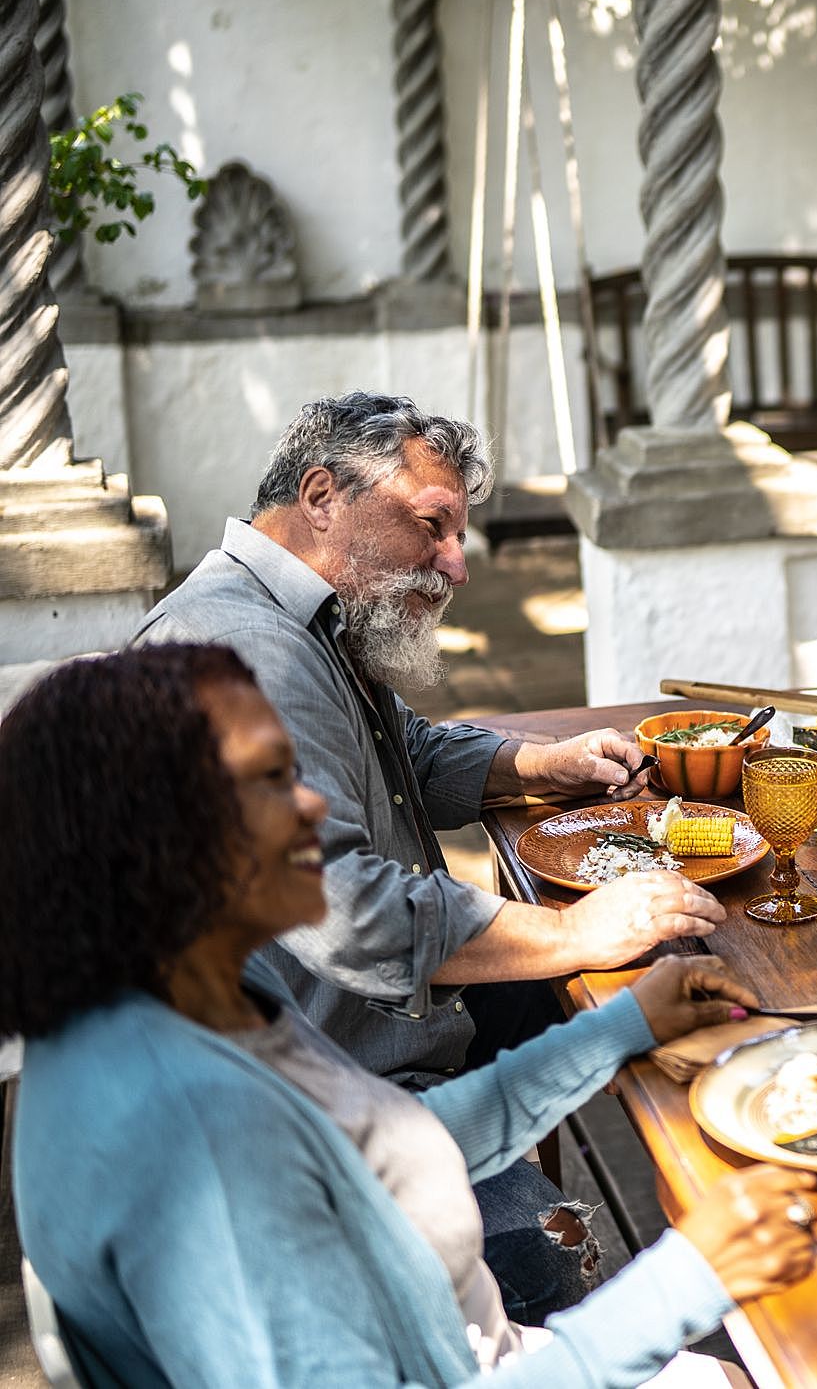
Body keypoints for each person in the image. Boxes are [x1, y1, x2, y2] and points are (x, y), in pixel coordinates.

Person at [2, 645, 817, 1385]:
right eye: (267, 781)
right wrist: (686, 1280)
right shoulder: (202, 1142)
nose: (316, 807)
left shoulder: (198, 982)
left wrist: (619, 1027)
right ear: (142, 836)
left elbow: (390, 1143)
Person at [134, 392, 721, 1320]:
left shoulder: (302, 615)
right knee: (554, 1262)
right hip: (334, 1085)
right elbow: (347, 915)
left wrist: (539, 763)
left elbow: (404, 752)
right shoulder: (243, 654)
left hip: (374, 1022)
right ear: (322, 495)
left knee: (650, 982)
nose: (455, 564)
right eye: (430, 526)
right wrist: (571, 928)